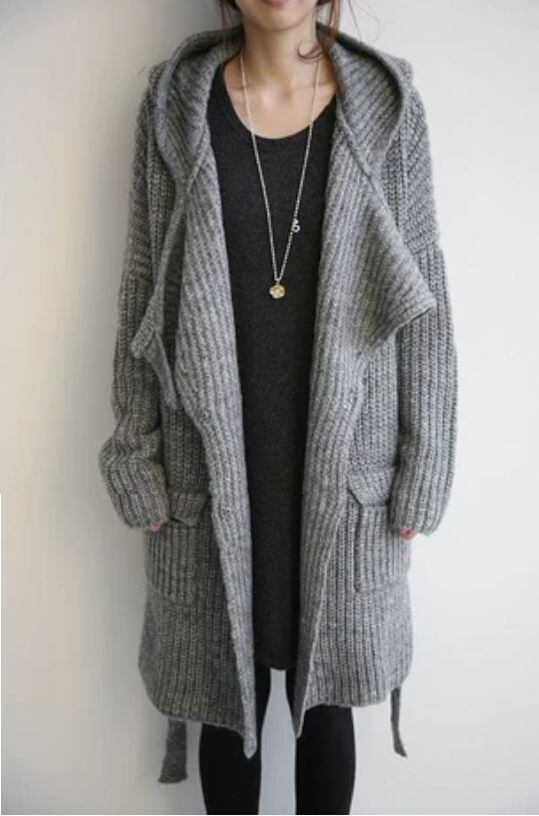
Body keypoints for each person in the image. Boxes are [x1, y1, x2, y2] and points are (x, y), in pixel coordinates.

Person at [97, 0, 458, 813]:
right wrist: (135, 453)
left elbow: (425, 294)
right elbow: (140, 288)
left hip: (345, 466)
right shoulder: (174, 106)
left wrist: (424, 464)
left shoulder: (385, 107)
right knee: (226, 701)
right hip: (209, 461)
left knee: (325, 703)